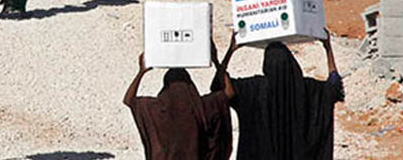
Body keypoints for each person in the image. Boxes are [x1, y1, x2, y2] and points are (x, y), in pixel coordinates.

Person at [211, 31, 344, 160]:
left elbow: (221, 88)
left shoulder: (254, 89)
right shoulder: (309, 90)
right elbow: (334, 85)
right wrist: (327, 48)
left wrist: (227, 53)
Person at [124, 43, 234, 160]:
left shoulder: (158, 110)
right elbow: (229, 93)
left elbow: (129, 100)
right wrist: (216, 61)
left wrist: (141, 71)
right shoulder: (202, 108)